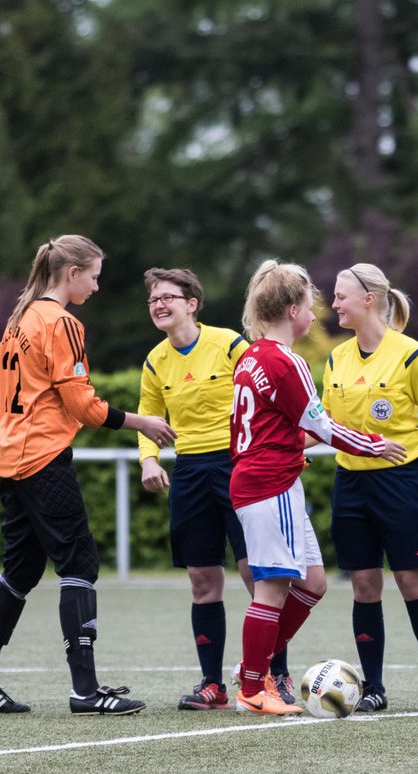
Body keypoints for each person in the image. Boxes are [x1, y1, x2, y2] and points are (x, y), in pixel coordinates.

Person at [0, 235, 176, 715]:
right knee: (80, 565)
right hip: (43, 459)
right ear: (72, 273)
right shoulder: (62, 322)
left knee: (20, 569)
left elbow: (5, 397)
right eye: (94, 276)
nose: (97, 287)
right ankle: (85, 691)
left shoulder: (21, 318)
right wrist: (141, 421)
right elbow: (82, 404)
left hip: (12, 458)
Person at [231, 260, 405, 715]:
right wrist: (373, 445)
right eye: (310, 305)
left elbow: (278, 425)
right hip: (269, 483)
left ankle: (254, 666)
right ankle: (253, 687)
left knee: (312, 583)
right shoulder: (285, 361)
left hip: (268, 480)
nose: (315, 314)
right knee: (272, 588)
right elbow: (323, 427)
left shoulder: (252, 355)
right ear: (292, 309)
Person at [323, 263, 418, 712]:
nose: (334, 303)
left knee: (410, 580)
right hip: (350, 483)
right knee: (364, 585)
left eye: (341, 296)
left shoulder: (410, 353)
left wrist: (416, 468)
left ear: (368, 299)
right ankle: (373, 688)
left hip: (400, 483)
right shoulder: (336, 359)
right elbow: (323, 425)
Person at [137, 267, 261, 710]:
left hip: (238, 465)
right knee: (202, 580)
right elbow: (148, 417)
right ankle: (213, 685)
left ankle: (271, 677)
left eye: (168, 296)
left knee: (256, 575)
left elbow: (264, 396)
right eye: (153, 299)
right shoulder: (155, 360)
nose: (159, 304)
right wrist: (149, 458)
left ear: (192, 304)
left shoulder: (229, 343)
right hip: (189, 472)